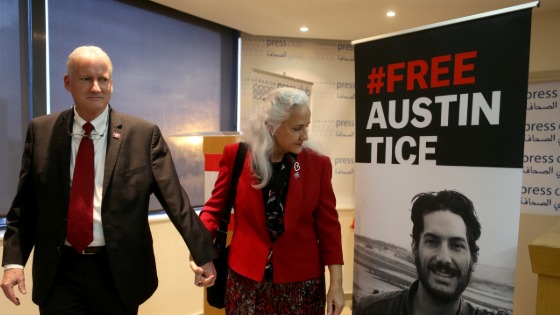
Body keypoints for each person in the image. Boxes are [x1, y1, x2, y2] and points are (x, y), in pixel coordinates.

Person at [1, 45, 217, 314]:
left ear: (111, 84)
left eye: (103, 79)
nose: (96, 87)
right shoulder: (42, 131)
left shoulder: (143, 135)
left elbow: (177, 202)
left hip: (118, 271)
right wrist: (13, 262)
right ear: (68, 82)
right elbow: (25, 205)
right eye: (86, 79)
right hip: (59, 270)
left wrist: (203, 254)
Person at [190, 87, 345, 314]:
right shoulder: (237, 156)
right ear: (272, 126)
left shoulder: (318, 165)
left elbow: (329, 228)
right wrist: (199, 251)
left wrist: (337, 284)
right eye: (297, 128)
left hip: (302, 283)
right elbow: (213, 210)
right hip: (246, 281)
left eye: (307, 127)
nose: (305, 136)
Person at [354, 190, 511, 315]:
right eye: (432, 242)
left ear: (474, 259)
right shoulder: (371, 311)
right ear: (415, 249)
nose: (444, 258)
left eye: (456, 245)